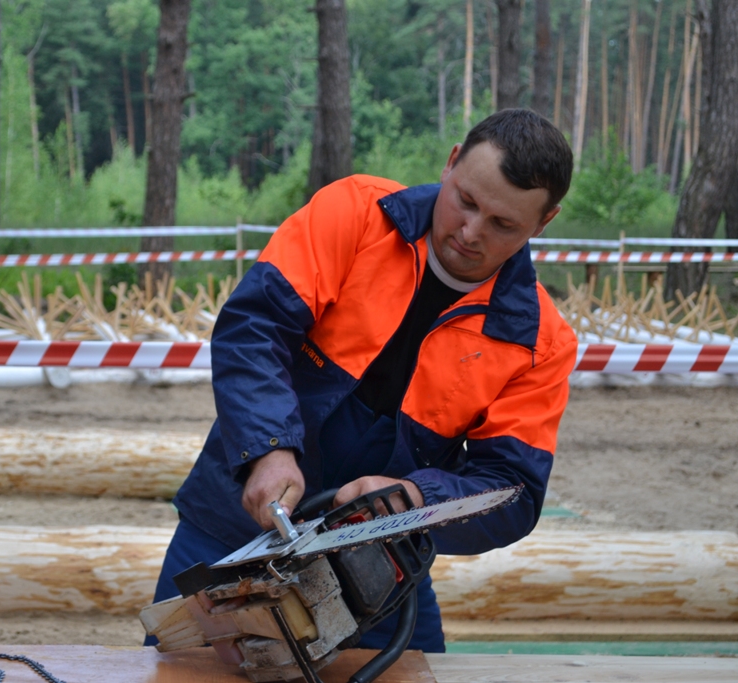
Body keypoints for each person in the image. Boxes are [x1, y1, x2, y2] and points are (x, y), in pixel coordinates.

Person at [147, 108, 578, 652]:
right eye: (466, 202)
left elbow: (511, 490)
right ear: (450, 164)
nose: (471, 232)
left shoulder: (539, 341)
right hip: (235, 521)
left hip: (378, 565)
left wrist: (417, 497)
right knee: (178, 669)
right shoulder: (356, 211)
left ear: (544, 222)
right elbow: (255, 327)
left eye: (503, 225)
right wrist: (270, 449)